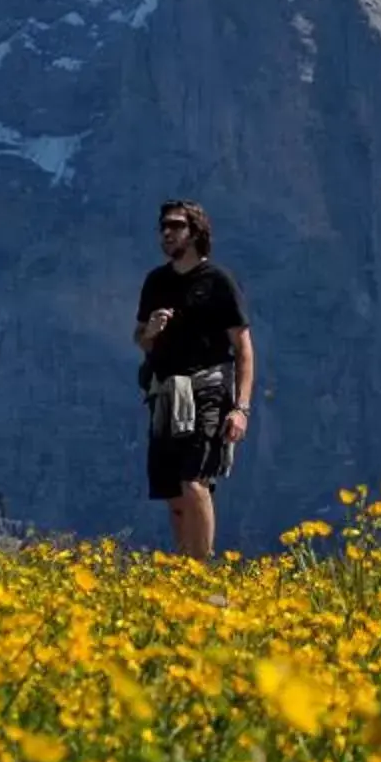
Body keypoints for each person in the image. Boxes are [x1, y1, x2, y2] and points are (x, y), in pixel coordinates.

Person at [135, 200, 253, 561]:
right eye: (162, 227)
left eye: (175, 226)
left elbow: (244, 349)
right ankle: (185, 568)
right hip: (166, 394)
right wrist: (150, 331)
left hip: (209, 390)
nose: (166, 233)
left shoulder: (218, 282)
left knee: (195, 481)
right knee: (174, 494)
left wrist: (241, 408)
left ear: (196, 232)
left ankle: (200, 572)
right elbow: (140, 338)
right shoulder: (156, 282)